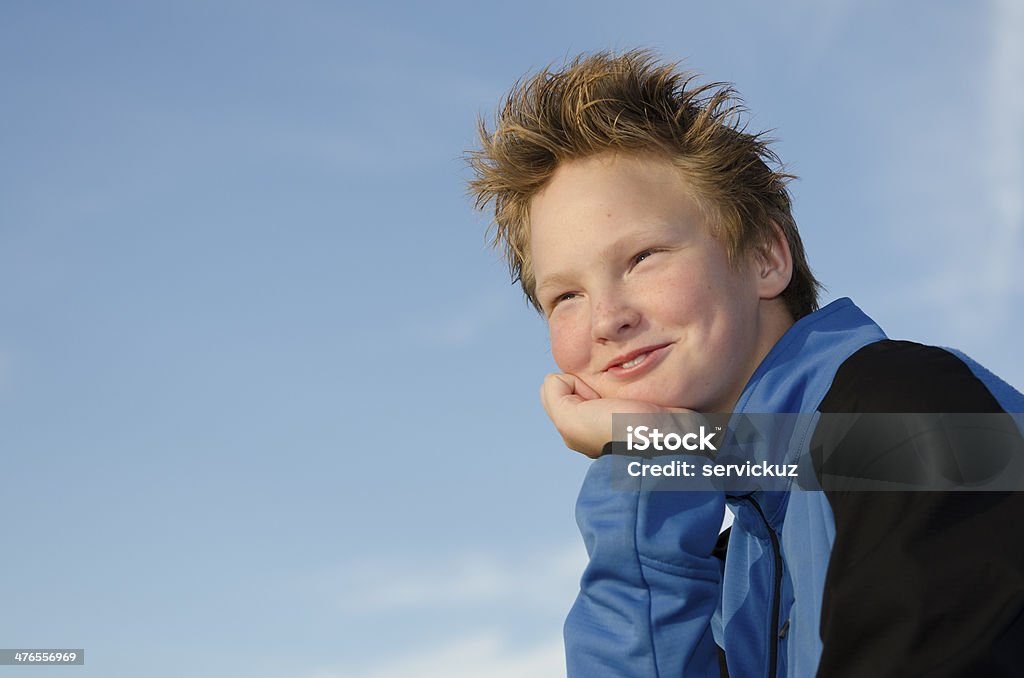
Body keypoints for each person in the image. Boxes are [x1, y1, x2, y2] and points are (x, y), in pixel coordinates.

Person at [467, 49, 1024, 677]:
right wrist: (651, 463)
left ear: (764, 257)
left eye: (644, 257)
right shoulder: (742, 565)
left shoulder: (914, 406)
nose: (605, 319)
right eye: (565, 296)